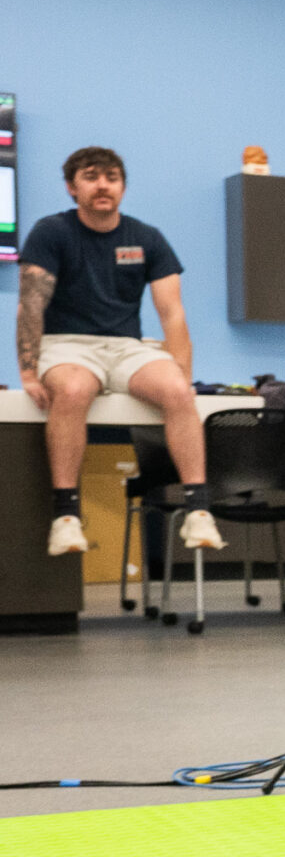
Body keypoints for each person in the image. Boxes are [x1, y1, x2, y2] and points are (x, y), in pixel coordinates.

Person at [16, 146, 224, 558]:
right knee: (73, 391)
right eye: (91, 177)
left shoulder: (146, 237)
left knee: (178, 391)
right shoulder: (51, 232)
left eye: (111, 178)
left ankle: (198, 509)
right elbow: (31, 303)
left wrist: (182, 372)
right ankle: (66, 516)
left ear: (123, 188)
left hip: (127, 348)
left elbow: (172, 311)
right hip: (67, 345)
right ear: (72, 187)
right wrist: (28, 371)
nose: (102, 185)